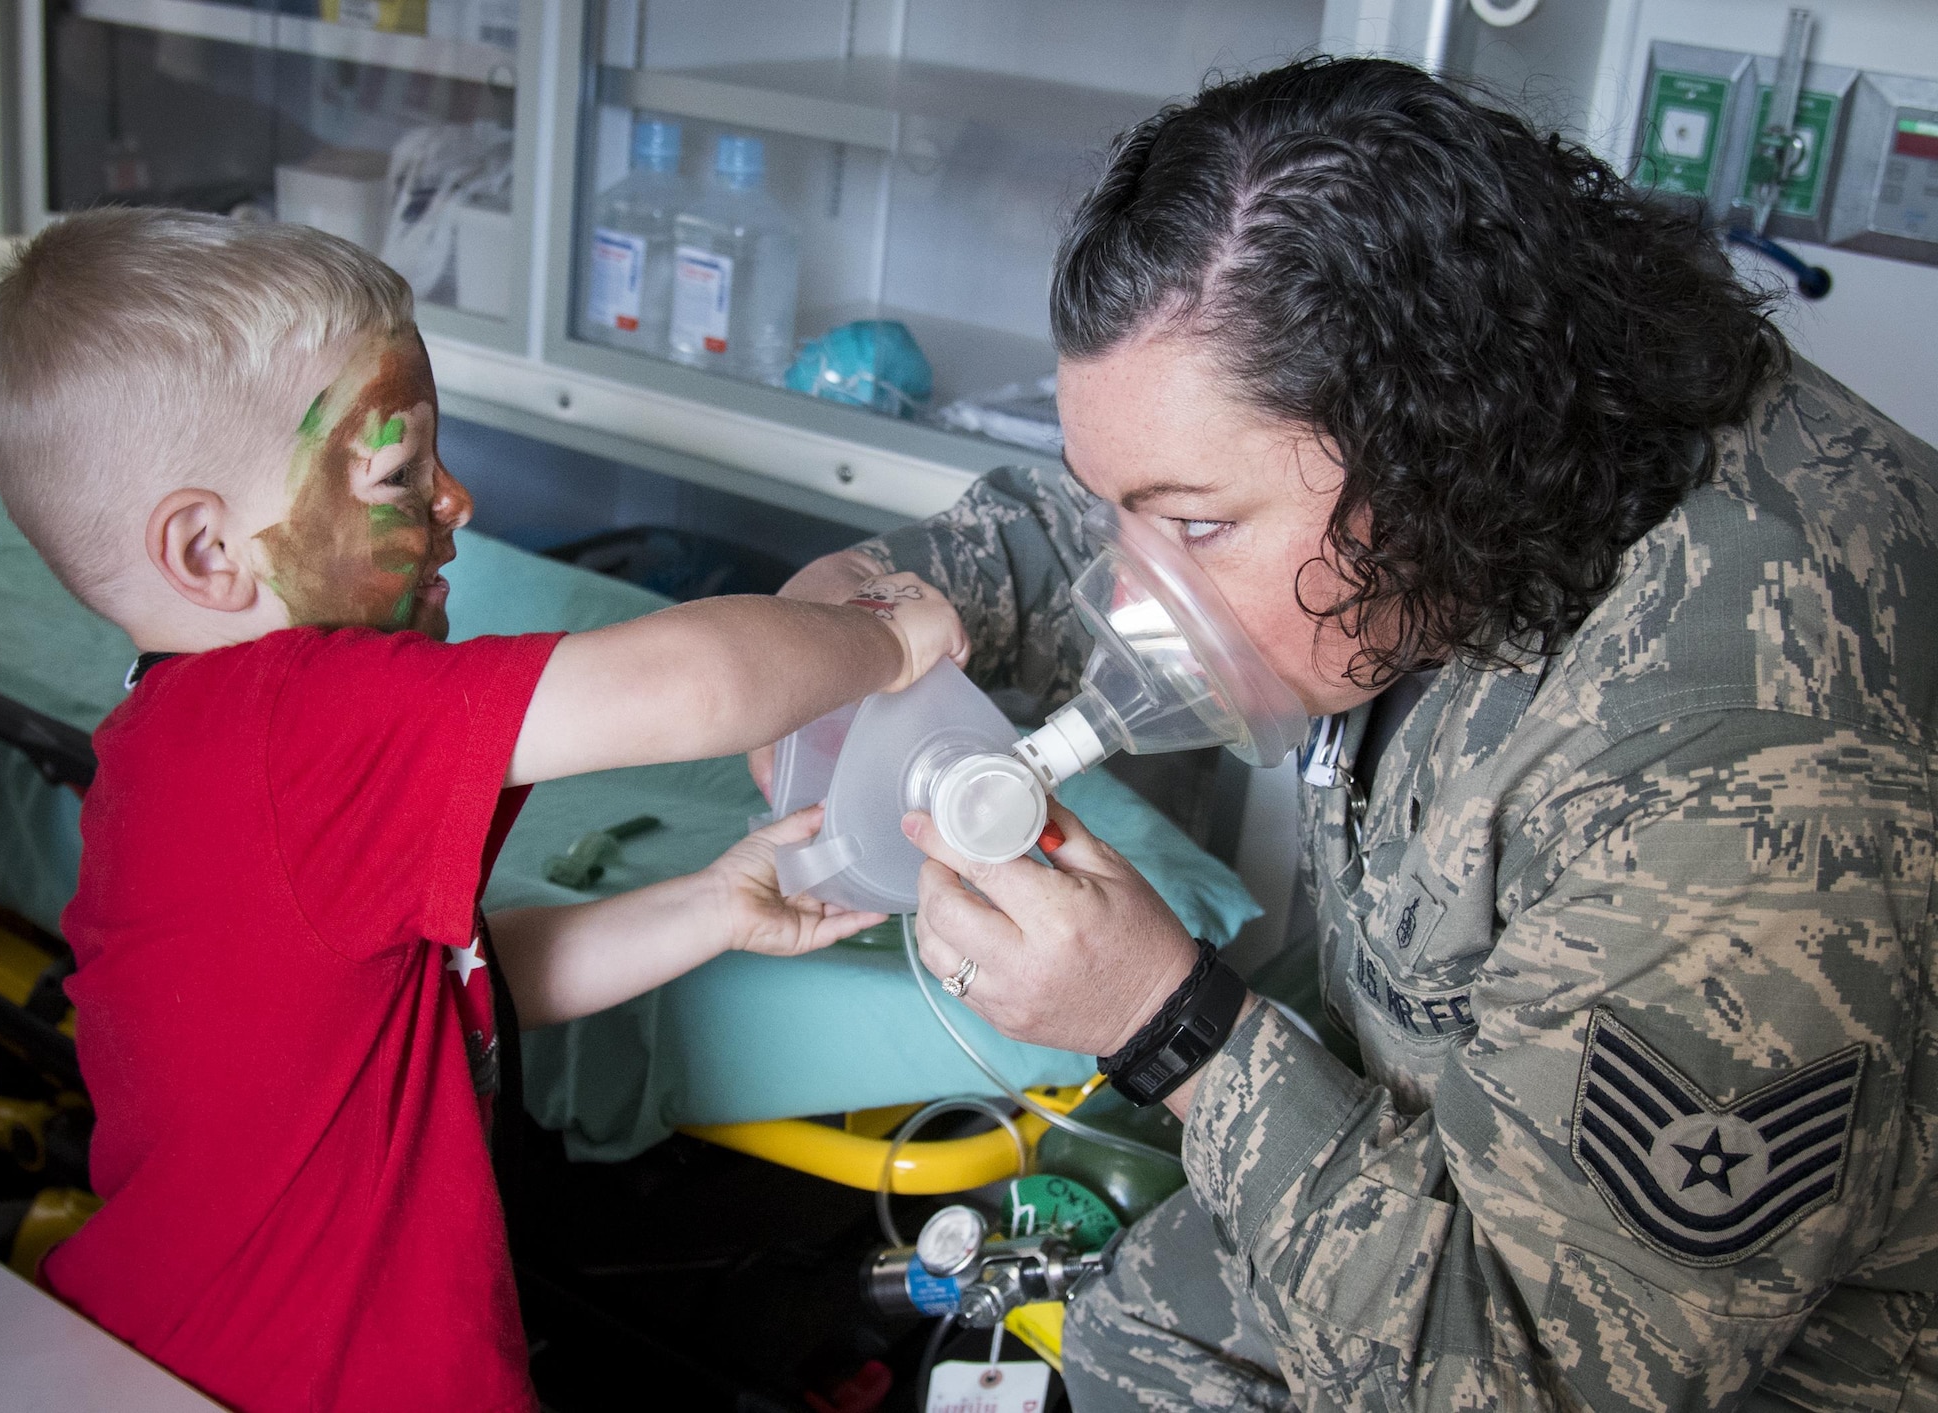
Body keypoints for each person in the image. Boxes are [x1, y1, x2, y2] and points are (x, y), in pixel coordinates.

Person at [769, 58, 1938, 1412]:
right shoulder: (1493, 427)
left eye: (1197, 530)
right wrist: (845, 625)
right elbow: (1092, 518)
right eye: (1132, 511)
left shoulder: (1750, 777)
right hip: (1454, 1154)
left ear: (1435, 445)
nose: (1138, 588)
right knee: (1141, 1333)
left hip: (1707, 1365)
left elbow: (1531, 1382)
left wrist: (1169, 1025)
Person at [0, 208, 966, 1413]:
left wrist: (702, 908)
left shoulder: (189, 744)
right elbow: (689, 681)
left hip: (187, 1346)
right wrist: (881, 638)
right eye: (400, 471)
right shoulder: (295, 721)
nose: (458, 498)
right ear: (207, 549)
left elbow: (430, 996)